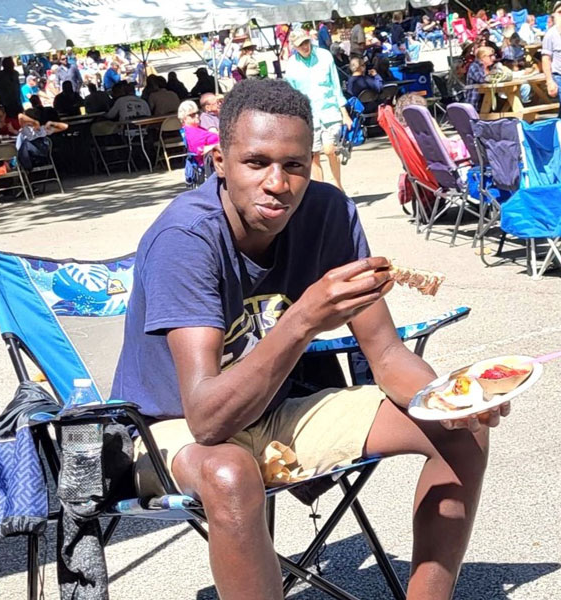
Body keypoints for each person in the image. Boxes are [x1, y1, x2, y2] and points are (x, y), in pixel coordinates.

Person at [112, 77, 506, 600]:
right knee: (230, 472)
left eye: (294, 165)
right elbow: (207, 420)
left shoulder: (327, 213)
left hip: (274, 408)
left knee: (460, 431)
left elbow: (386, 352)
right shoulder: (185, 240)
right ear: (220, 164)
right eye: (256, 163)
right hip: (169, 429)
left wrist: (449, 402)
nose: (278, 183)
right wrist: (301, 321)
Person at [286, 29, 352, 192]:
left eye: (306, 42)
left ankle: (338, 185)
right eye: (301, 45)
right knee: (314, 154)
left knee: (330, 149)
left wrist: (344, 113)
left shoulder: (324, 56)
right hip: (308, 116)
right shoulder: (291, 65)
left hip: (330, 111)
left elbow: (336, 85)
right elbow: (292, 94)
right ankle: (322, 190)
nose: (305, 47)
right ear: (295, 47)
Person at [177, 99, 219, 165]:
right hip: (211, 162)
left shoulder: (197, 128)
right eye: (192, 115)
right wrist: (220, 145)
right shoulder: (191, 133)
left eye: (197, 113)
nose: (197, 116)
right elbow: (201, 151)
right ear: (184, 118)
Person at [542, 0, 561, 118]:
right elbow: (546, 59)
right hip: (559, 75)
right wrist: (549, 81)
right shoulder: (550, 34)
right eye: (560, 12)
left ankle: (556, 133)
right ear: (554, 16)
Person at [465, 46, 497, 112]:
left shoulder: (489, 67)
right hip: (475, 104)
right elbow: (482, 80)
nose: (493, 58)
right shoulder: (474, 66)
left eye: (494, 55)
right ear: (483, 57)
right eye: (490, 56)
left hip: (486, 100)